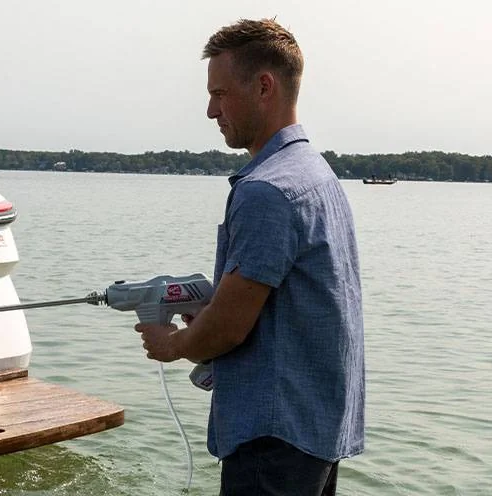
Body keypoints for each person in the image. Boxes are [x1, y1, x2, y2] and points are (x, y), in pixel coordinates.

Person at [134, 18, 364, 495]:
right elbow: (287, 300)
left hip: (271, 440)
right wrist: (212, 306)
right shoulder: (316, 174)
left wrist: (173, 344)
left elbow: (229, 328)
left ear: (264, 86)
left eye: (220, 93)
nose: (210, 110)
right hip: (317, 429)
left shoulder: (266, 190)